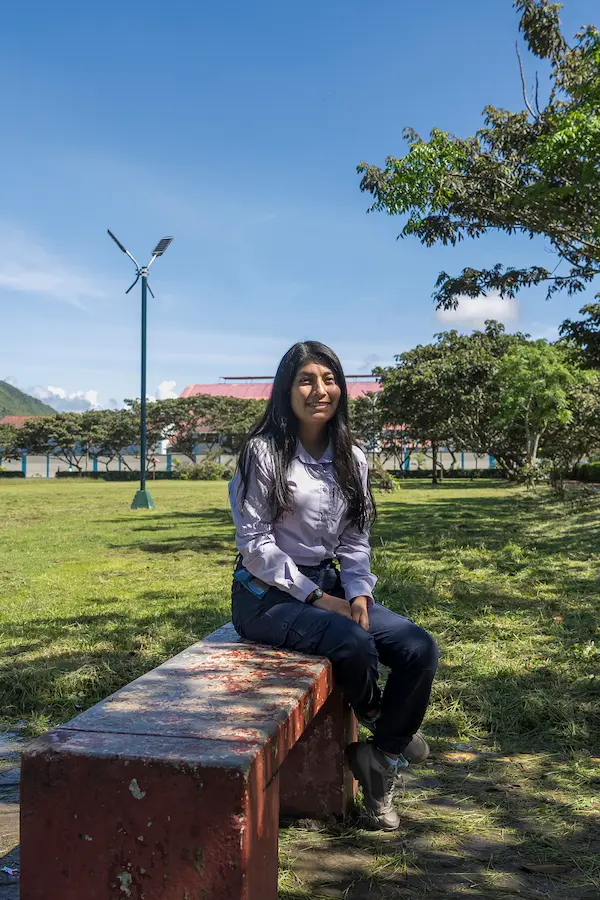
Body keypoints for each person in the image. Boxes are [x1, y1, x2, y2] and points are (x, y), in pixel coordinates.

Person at [228, 341, 438, 830]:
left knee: (417, 647)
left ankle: (379, 756)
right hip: (266, 595)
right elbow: (255, 544)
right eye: (306, 379)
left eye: (329, 378)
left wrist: (358, 593)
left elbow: (354, 537)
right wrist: (323, 600)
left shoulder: (354, 457)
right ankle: (384, 721)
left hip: (331, 583)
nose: (319, 390)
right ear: (285, 390)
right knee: (353, 640)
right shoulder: (262, 453)